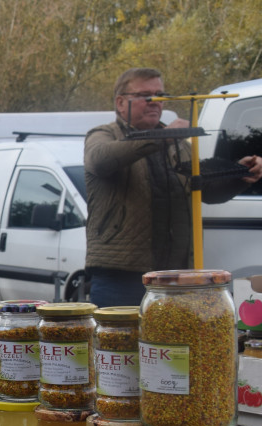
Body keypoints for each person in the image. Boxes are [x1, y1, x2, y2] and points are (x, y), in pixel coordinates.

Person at [84, 67, 262, 306]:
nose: (155, 102)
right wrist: (162, 138)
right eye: (147, 96)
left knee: (174, 344)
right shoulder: (103, 134)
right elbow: (101, 159)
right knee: (121, 342)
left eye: (161, 95)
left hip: (176, 277)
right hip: (122, 276)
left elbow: (202, 191)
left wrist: (239, 174)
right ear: (120, 102)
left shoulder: (176, 142)